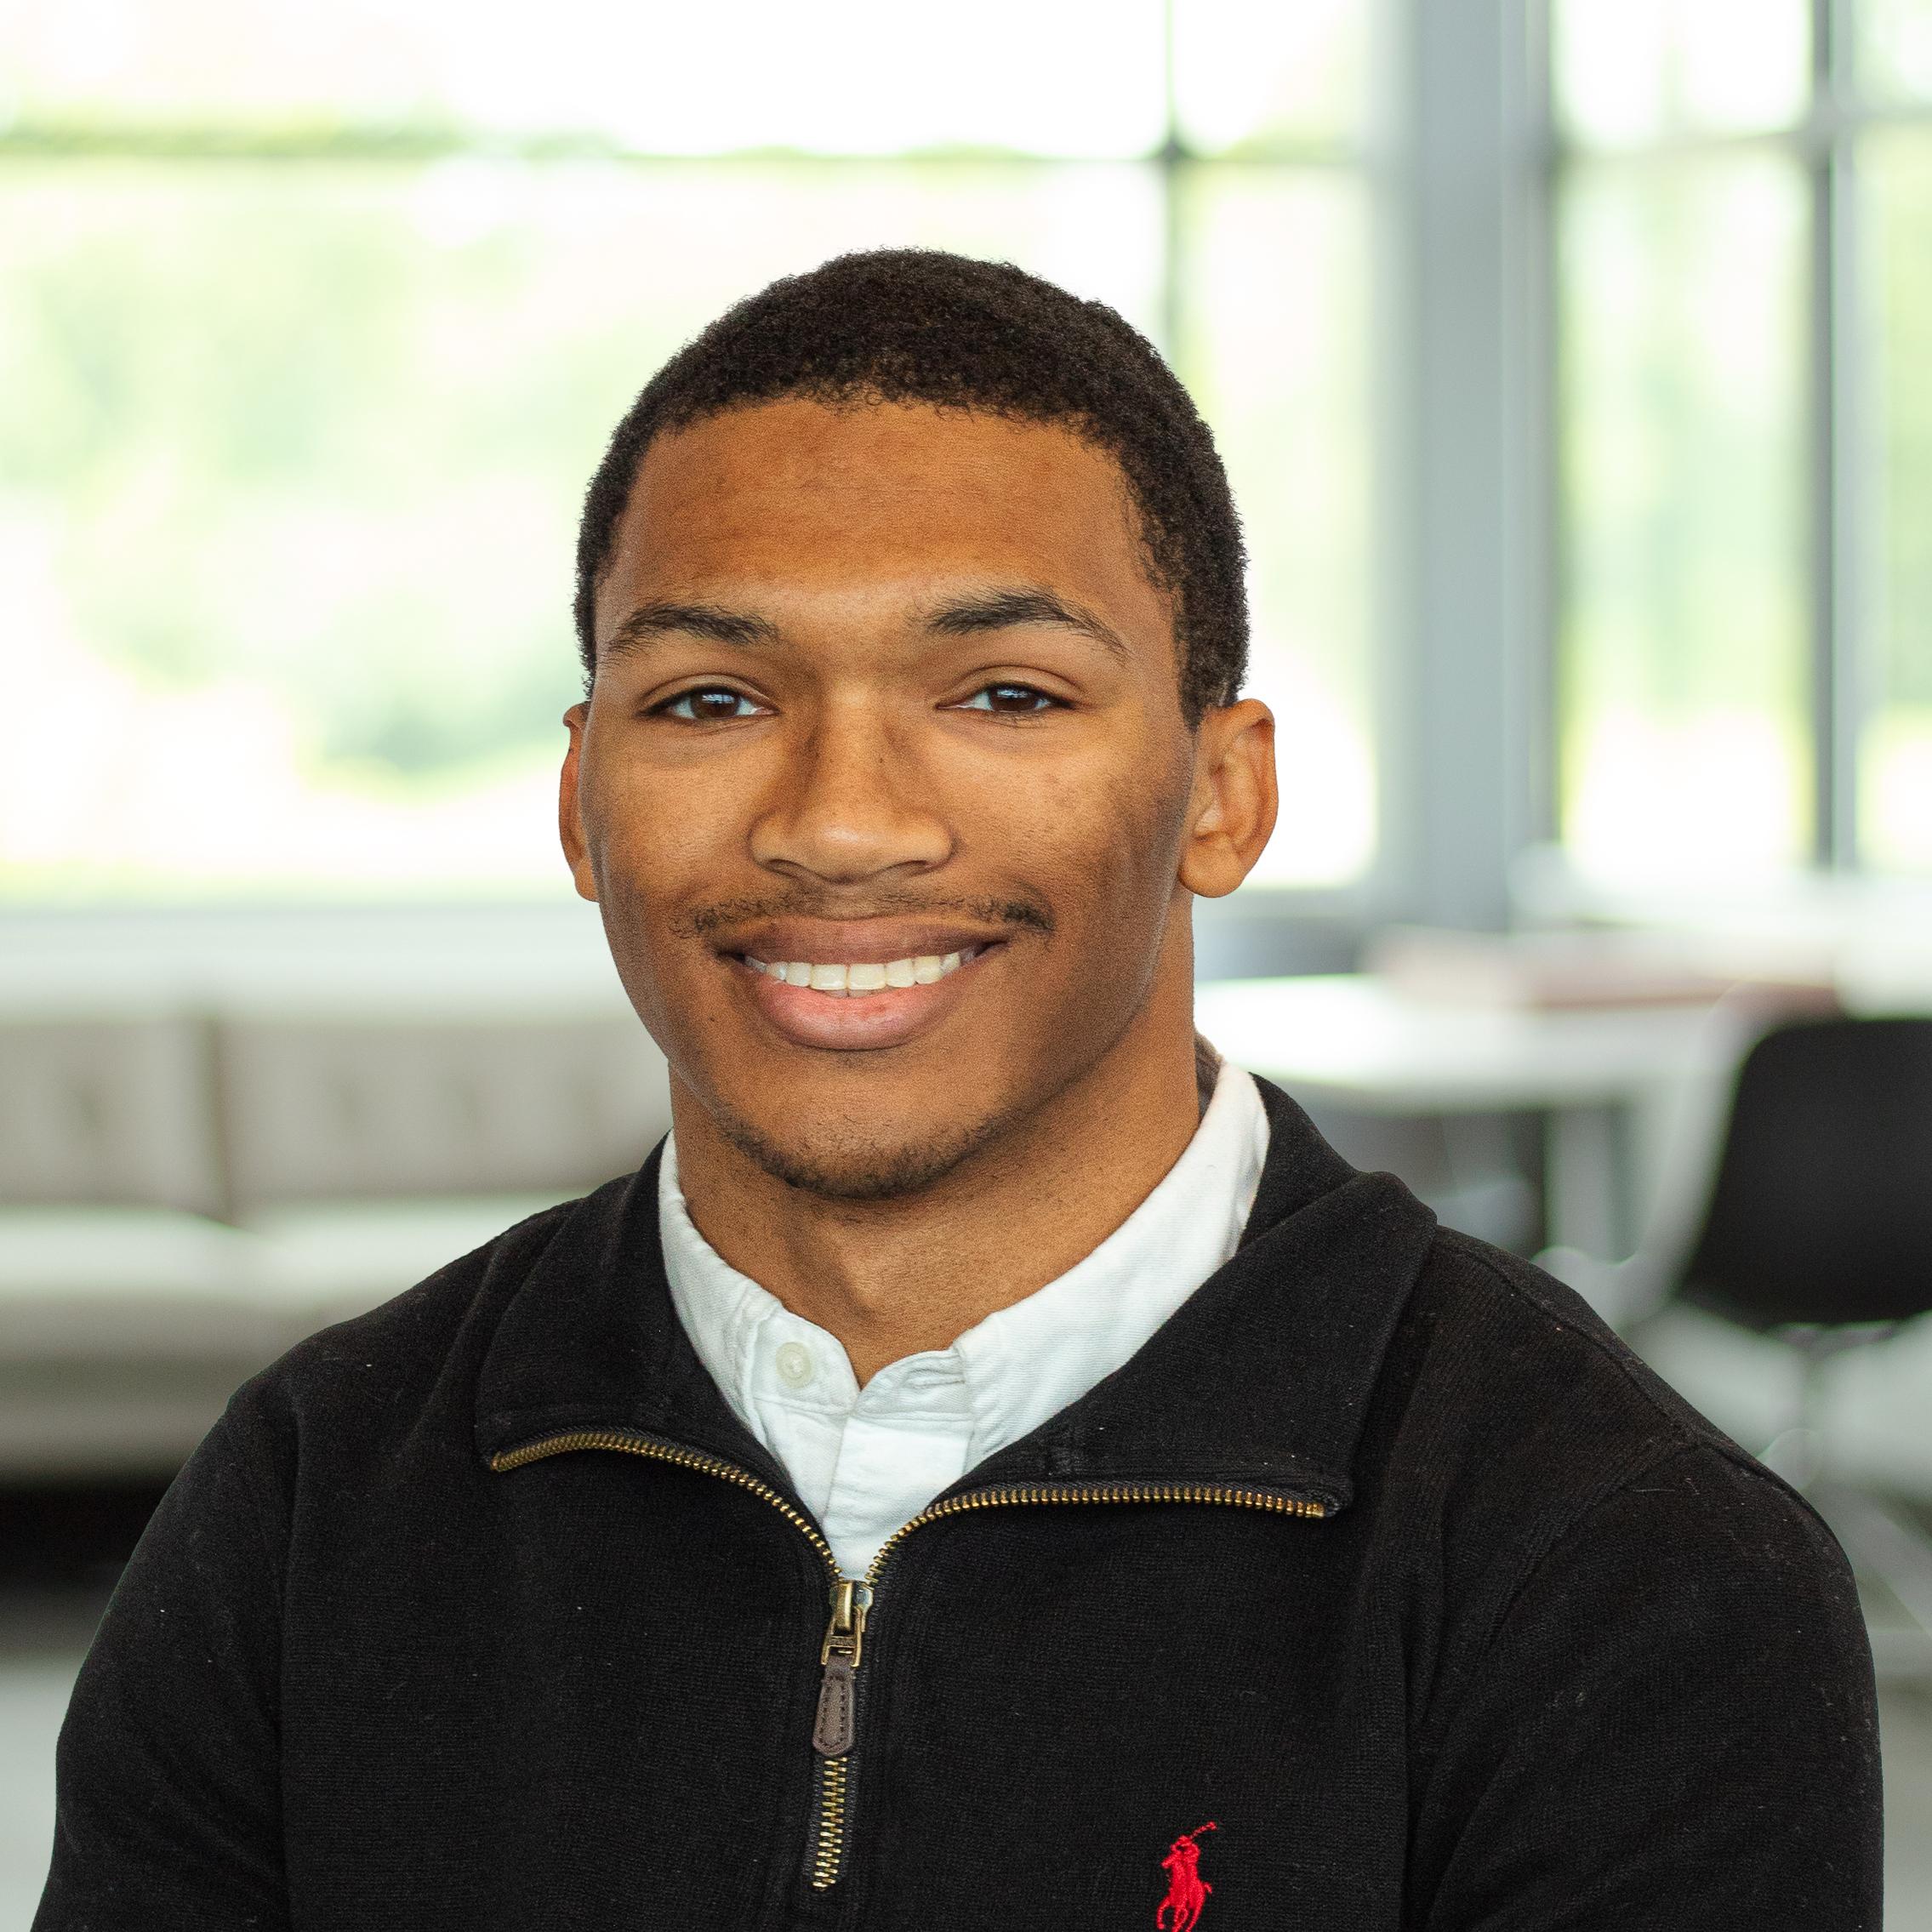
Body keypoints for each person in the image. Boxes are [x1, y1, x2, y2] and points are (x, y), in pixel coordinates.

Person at [36, 248, 1879, 1930]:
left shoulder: (1624, 1562)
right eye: (709, 700)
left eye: (1002, 693)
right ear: (580, 798)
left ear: (1221, 795)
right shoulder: (312, 1499)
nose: (841, 821)